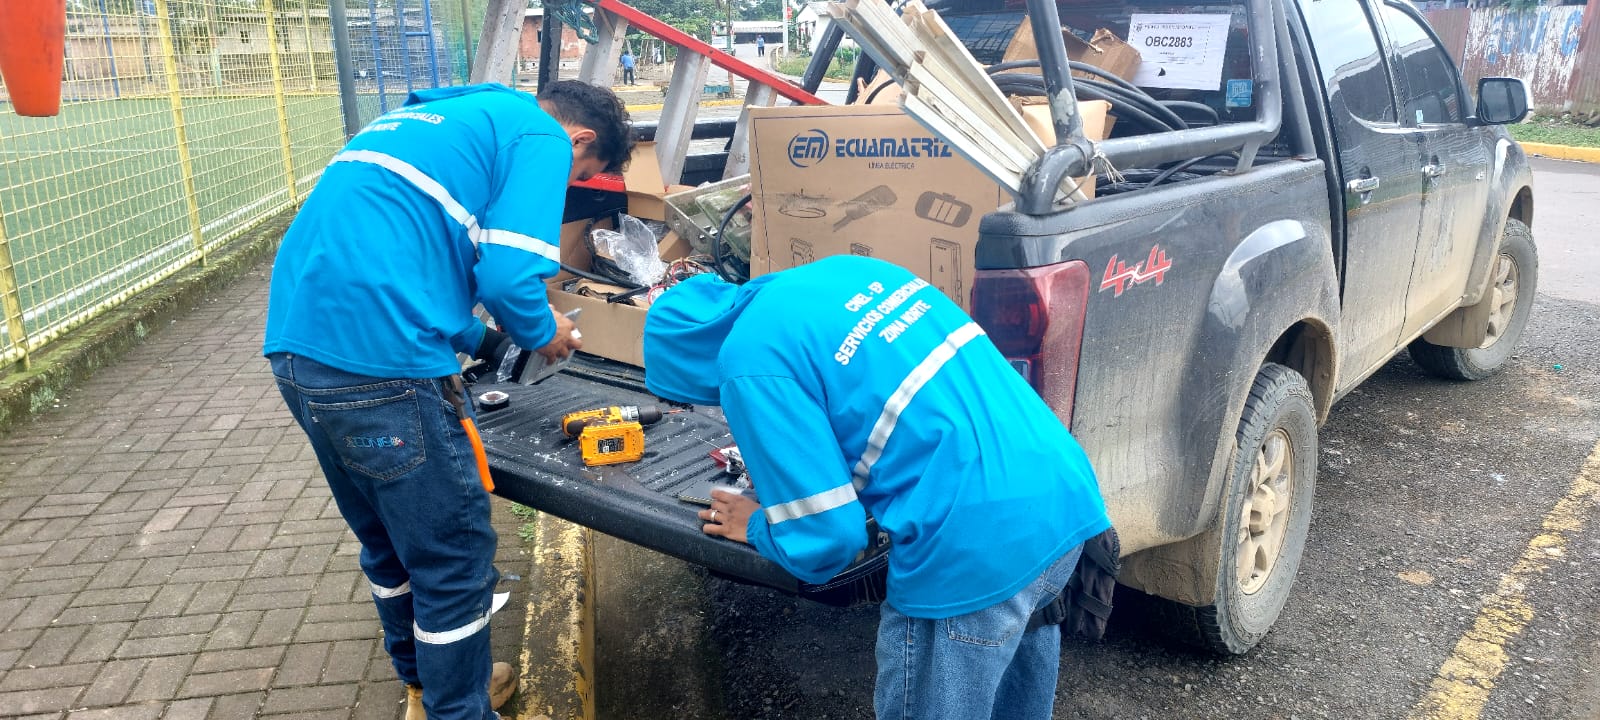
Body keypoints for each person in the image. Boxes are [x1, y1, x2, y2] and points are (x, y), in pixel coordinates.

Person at [264, 80, 633, 720]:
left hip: (300, 356)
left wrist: (486, 342)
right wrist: (543, 332)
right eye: (579, 176)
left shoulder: (440, 120)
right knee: (453, 562)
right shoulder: (540, 136)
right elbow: (509, 278)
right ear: (580, 140)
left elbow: (412, 273)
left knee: (388, 542)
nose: (565, 186)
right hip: (384, 370)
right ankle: (457, 709)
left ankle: (422, 686)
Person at [641, 256, 1111, 720]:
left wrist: (758, 524)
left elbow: (830, 539)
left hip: (972, 543)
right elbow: (888, 407)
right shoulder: (845, 273)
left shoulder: (745, 362)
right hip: (1062, 495)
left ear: (688, 363)